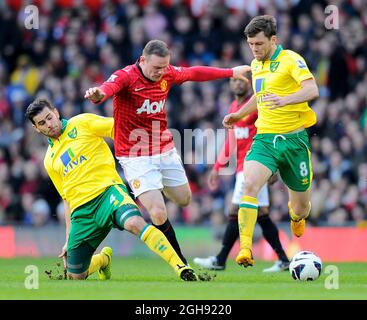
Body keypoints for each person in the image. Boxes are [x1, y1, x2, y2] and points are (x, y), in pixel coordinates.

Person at [84, 39, 250, 267]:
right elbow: (107, 88)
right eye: (156, 68)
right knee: (158, 213)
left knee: (184, 199)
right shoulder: (126, 76)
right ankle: (181, 263)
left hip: (164, 149)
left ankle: (154, 185)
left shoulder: (166, 74)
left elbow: (193, 73)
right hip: (135, 156)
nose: (161, 72)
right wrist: (98, 94)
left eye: (164, 67)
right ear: (142, 60)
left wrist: (230, 71)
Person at [25, 98, 198, 281]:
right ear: (37, 129)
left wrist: (142, 151)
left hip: (108, 193)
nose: (49, 124)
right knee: (75, 275)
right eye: (42, 123)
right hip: (82, 213)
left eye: (49, 117)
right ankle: (103, 260)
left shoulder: (82, 123)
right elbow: (66, 199)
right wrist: (68, 238)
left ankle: (180, 266)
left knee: (134, 223)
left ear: (56, 112)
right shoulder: (49, 160)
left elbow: (118, 128)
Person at [223, 15, 319, 268]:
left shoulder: (291, 59)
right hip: (265, 138)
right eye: (251, 44)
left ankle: (296, 214)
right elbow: (260, 96)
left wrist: (285, 99)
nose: (254, 50)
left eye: (259, 44)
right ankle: (244, 249)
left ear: (273, 40)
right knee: (249, 184)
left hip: (294, 141)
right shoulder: (256, 65)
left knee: (300, 208)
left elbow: (312, 90)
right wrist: (239, 114)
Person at [193, 77, 289, 272]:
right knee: (261, 214)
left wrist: (274, 164)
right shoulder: (233, 107)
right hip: (243, 168)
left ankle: (220, 260)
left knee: (236, 210)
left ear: (250, 84)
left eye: (242, 80)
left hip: (255, 164)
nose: (238, 83)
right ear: (230, 84)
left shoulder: (256, 105)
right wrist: (218, 166)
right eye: (234, 80)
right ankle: (283, 259)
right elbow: (232, 140)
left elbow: (272, 129)